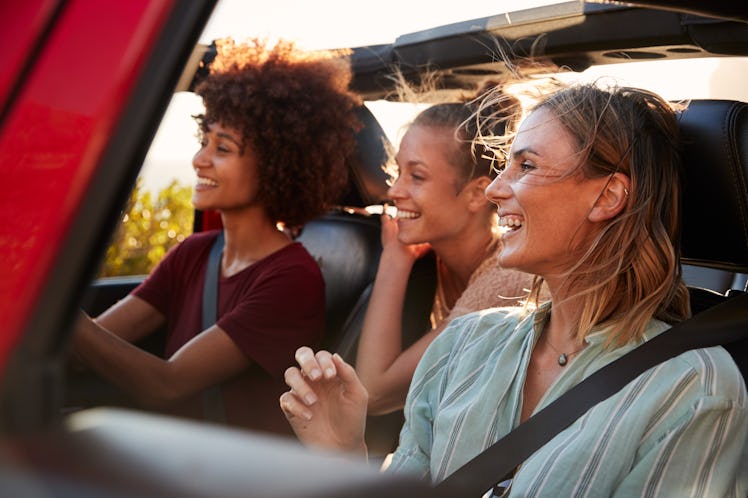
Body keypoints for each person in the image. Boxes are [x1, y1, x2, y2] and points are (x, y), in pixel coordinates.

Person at [280, 81, 748, 495]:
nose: (493, 190)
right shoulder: (461, 346)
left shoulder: (696, 389)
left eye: (526, 165)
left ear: (606, 196)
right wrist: (343, 453)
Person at [72, 37, 362, 436]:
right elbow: (95, 343)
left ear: (276, 164)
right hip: (171, 453)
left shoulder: (292, 279)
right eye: (203, 142)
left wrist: (57, 307)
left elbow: (166, 384)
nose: (199, 159)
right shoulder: (195, 252)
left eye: (222, 148)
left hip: (229, 473)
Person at [355, 89, 537, 415]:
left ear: (477, 194)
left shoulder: (507, 280)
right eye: (398, 172)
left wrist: (394, 259)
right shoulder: (436, 259)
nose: (395, 191)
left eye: (417, 176)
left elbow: (374, 392)